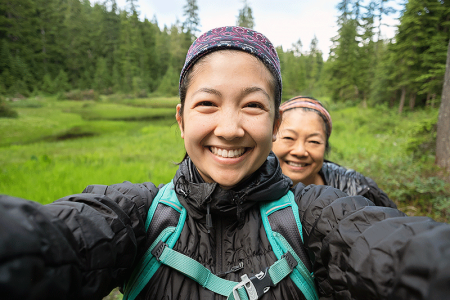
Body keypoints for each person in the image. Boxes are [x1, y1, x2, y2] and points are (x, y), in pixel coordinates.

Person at [1, 26, 449, 300]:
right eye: (207, 104)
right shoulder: (138, 214)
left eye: (253, 106)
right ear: (181, 119)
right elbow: (53, 241)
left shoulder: (314, 215)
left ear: (274, 124)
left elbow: (398, 251)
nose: (230, 127)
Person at [272, 96, 397, 208]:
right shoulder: (253, 189)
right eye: (288, 138)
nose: (300, 151)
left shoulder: (357, 188)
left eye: (313, 141)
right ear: (271, 139)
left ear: (326, 146)